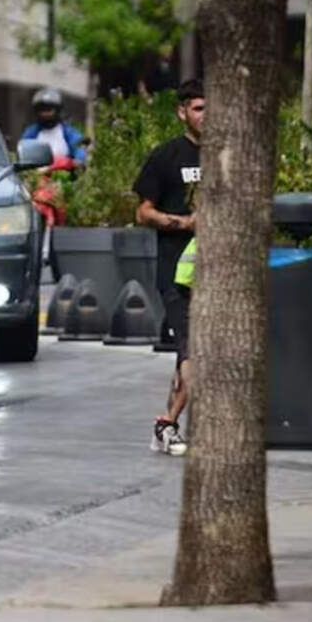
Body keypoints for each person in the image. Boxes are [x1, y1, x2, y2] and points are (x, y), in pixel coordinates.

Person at [133, 79, 204, 457]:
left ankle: (167, 425)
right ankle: (166, 424)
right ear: (182, 112)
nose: (206, 116)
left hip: (219, 275)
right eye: (199, 109)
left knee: (190, 356)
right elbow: (143, 213)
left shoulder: (228, 155)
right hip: (177, 275)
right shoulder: (166, 157)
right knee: (194, 357)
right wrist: (185, 223)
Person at [19, 86, 87, 166]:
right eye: (42, 110)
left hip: (64, 172)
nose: (45, 114)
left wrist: (78, 160)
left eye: (49, 110)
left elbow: (78, 147)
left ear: (57, 110)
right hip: (37, 172)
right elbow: (23, 152)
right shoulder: (31, 133)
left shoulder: (68, 132)